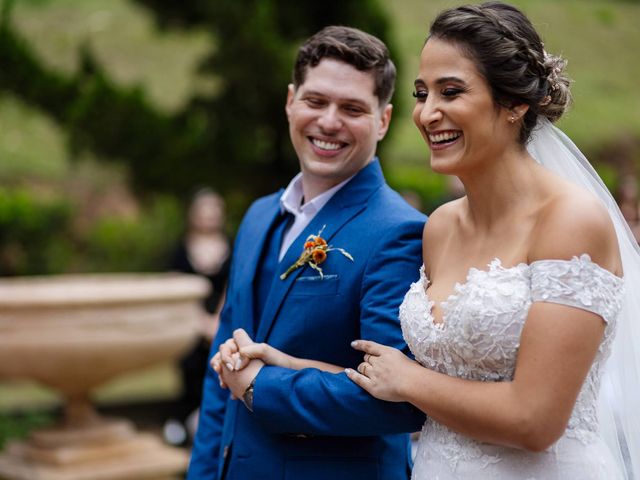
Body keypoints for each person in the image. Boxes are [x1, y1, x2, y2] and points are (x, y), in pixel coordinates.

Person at [338, 2, 638, 479]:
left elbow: (535, 420)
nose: (427, 114)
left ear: (515, 103)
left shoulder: (570, 221)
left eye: (451, 92)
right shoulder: (439, 227)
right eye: (422, 93)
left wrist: (410, 380)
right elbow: (405, 373)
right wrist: (284, 367)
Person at [187, 26, 427, 480]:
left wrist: (262, 387)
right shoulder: (258, 216)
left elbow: (399, 403)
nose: (330, 121)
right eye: (316, 101)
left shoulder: (400, 233)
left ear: (383, 120)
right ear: (290, 101)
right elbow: (222, 367)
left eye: (352, 108)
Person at [165, 188, 231, 445]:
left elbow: (233, 284)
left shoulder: (232, 245)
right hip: (190, 322)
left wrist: (217, 320)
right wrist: (199, 321)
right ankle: (183, 426)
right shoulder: (181, 249)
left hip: (223, 320)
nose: (209, 216)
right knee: (190, 372)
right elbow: (173, 287)